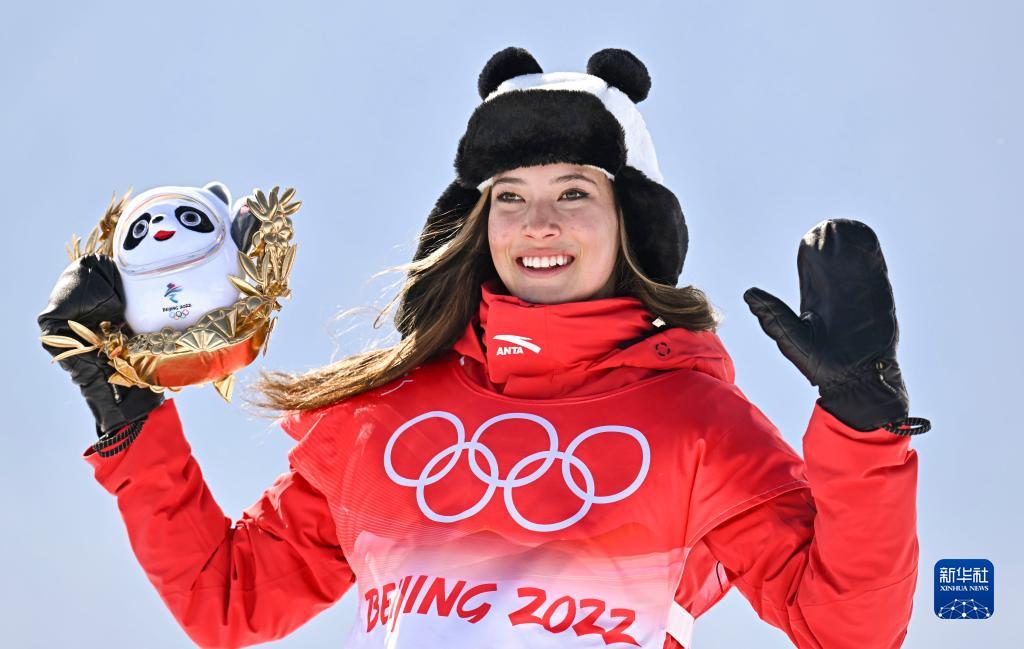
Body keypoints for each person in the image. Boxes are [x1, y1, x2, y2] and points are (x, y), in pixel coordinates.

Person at [37, 47, 929, 649]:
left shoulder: (696, 424)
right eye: (509, 195)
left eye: (574, 192)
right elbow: (228, 600)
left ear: (630, 223)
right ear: (478, 222)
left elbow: (847, 628)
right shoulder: (380, 417)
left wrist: (863, 424)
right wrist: (124, 407)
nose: (538, 222)